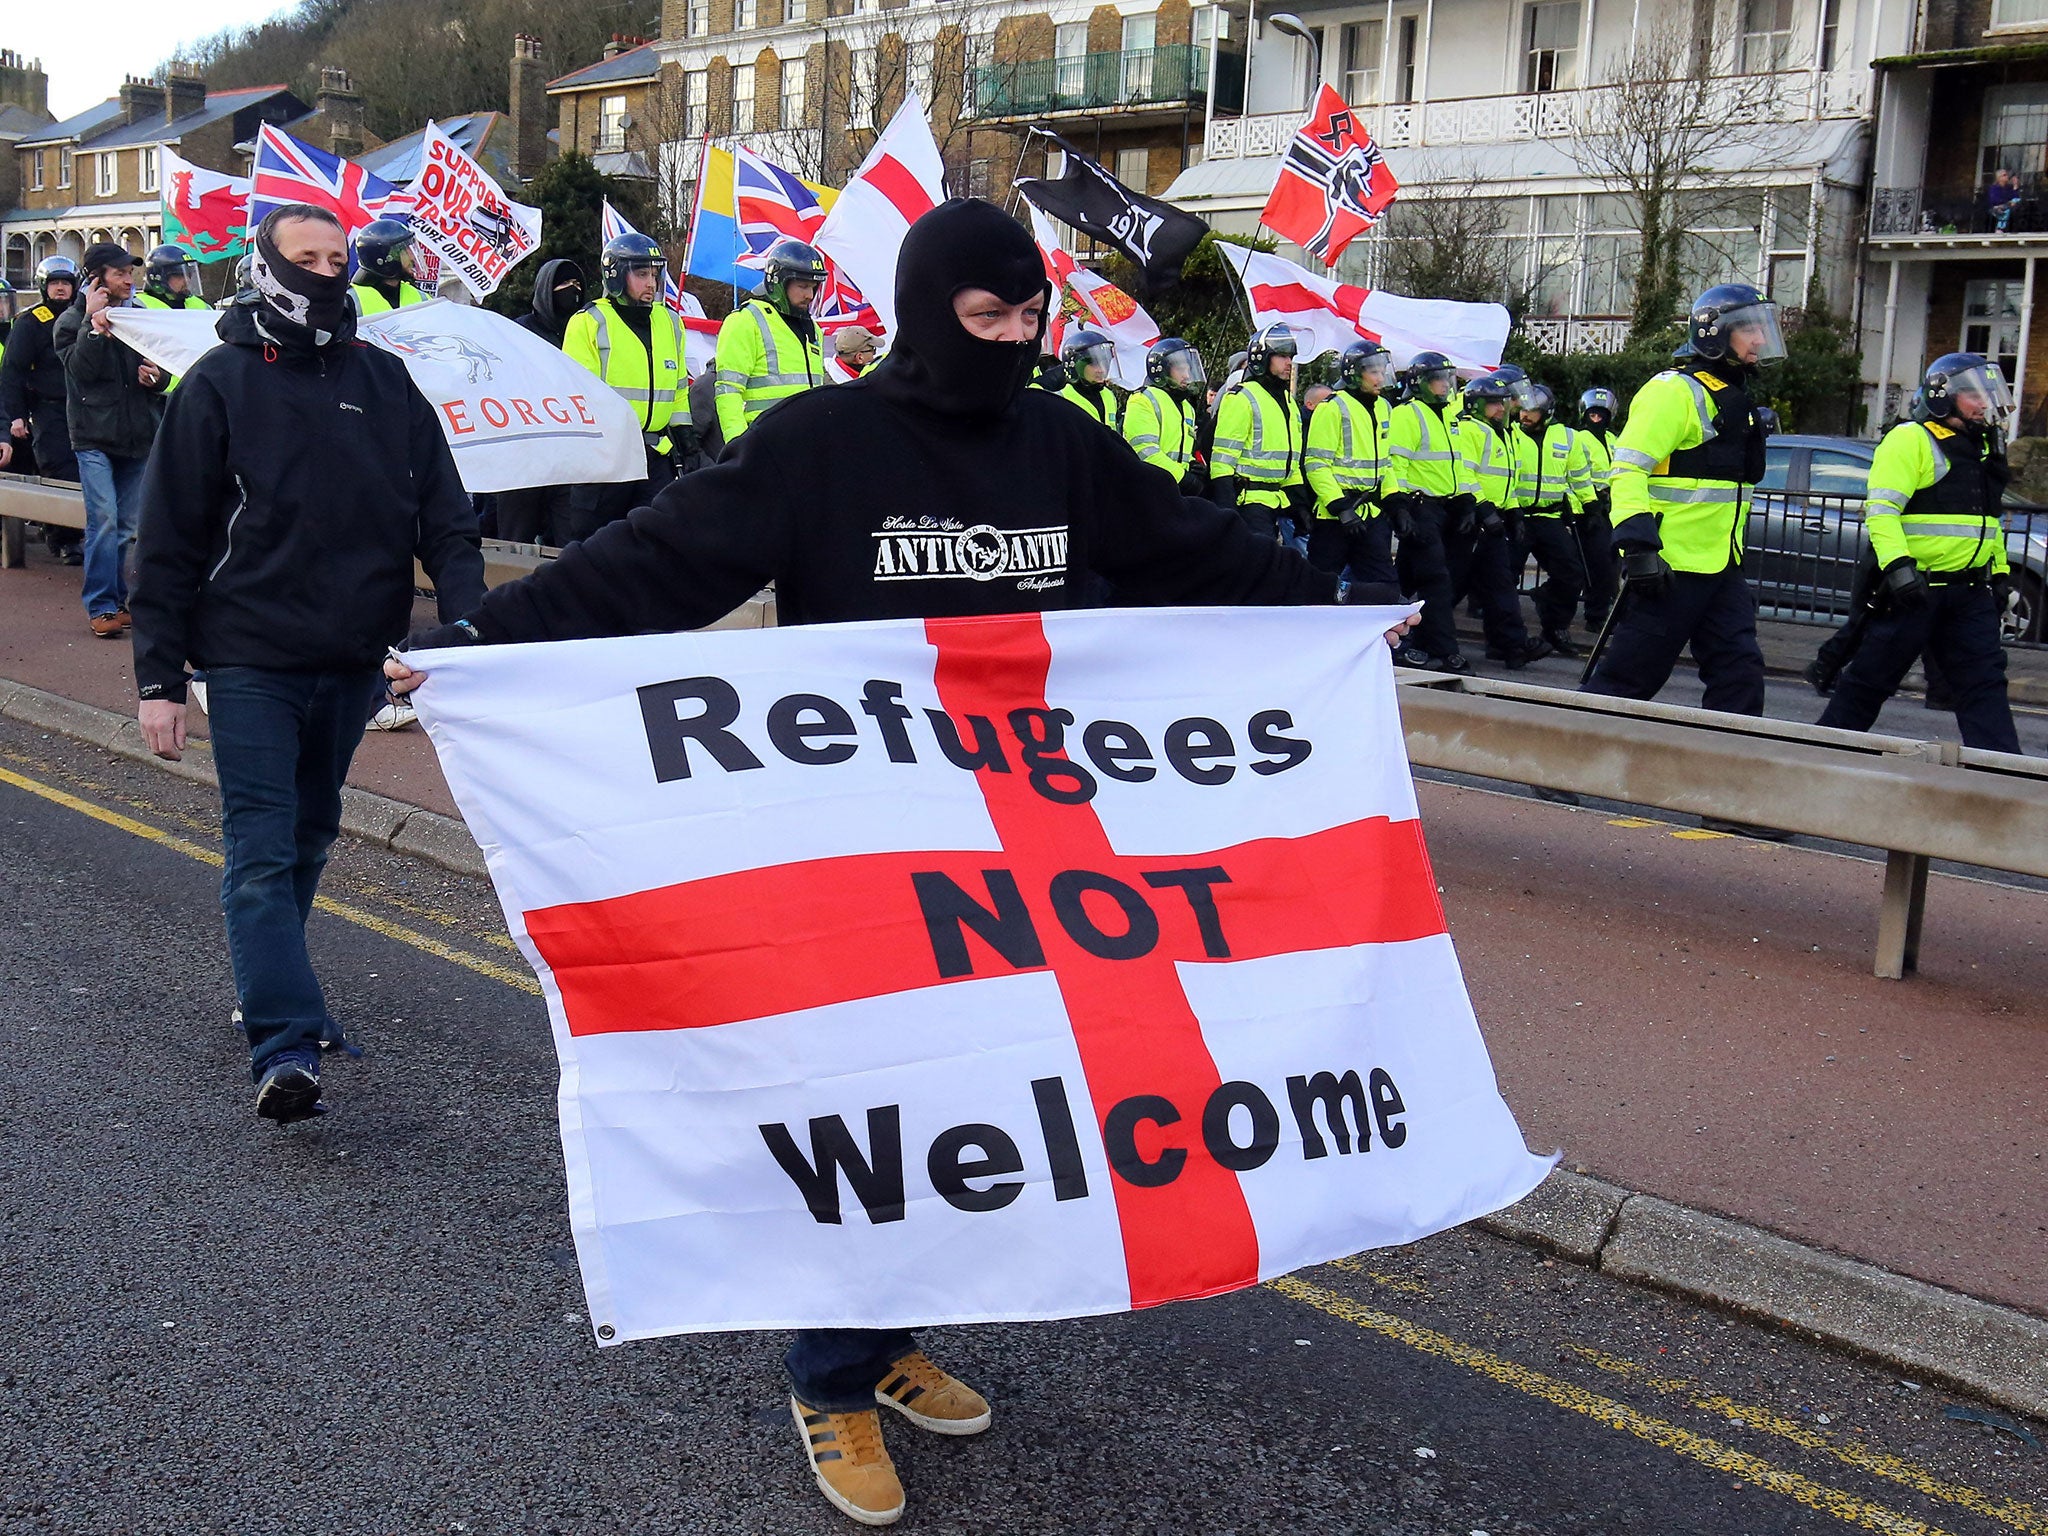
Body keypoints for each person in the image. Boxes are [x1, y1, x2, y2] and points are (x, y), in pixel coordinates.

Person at [380, 198, 1416, 1530]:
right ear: (930, 317)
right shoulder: (825, 444)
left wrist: (1332, 618)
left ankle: (892, 1336)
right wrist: (481, 643)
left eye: (1031, 316)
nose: (1017, 341)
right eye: (987, 320)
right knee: (865, 1099)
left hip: (1029, 841)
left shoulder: (1060, 442)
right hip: (861, 836)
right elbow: (656, 565)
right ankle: (831, 1377)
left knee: (974, 1102)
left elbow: (1190, 545)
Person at [128, 202, 485, 1124]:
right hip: (247, 657)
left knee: (312, 832)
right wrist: (159, 680)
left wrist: (465, 629)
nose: (328, 271)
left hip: (355, 658)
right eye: (307, 256)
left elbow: (446, 518)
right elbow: (165, 541)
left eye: (339, 255)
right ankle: (284, 1044)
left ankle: (264, 980)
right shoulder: (217, 384)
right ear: (267, 267)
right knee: (259, 844)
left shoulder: (387, 381)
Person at [1583, 283, 1778, 715]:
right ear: (1715, 333)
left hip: (1721, 566)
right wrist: (1638, 547)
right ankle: (1559, 764)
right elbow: (1629, 469)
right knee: (1630, 679)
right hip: (1670, 567)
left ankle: (1723, 775)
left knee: (1740, 675)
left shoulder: (1735, 397)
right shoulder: (1673, 390)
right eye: (1750, 329)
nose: (1760, 339)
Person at [1815, 353, 2021, 752]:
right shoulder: (1911, 439)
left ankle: (2005, 782)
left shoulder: (1979, 449)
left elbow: (1987, 521)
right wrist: (1898, 568)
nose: (1984, 405)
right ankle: (1814, 765)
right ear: (1943, 397)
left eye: (1987, 395)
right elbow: (1882, 510)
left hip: (1969, 595)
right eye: (1973, 396)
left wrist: (1997, 574)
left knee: (1985, 686)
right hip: (1916, 591)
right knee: (1868, 684)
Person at [54, 243, 168, 638]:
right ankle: (101, 606)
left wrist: (156, 377)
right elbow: (81, 371)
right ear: (96, 278)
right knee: (103, 521)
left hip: (137, 434)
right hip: (93, 437)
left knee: (127, 527)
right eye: (119, 273)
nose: (128, 279)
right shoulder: (70, 322)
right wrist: (92, 323)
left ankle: (118, 603)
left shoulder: (139, 317)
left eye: (129, 272)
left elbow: (163, 368)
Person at [563, 232, 690, 539]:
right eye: (641, 273)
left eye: (655, 274)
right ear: (616, 275)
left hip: (656, 454)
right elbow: (577, 394)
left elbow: (679, 387)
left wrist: (685, 432)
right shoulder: (590, 322)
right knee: (594, 540)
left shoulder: (670, 322)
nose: (651, 283)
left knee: (654, 539)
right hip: (608, 457)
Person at [1382, 350, 1472, 672]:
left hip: (1445, 507)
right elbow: (1396, 463)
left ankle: (1405, 638)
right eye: (1438, 379)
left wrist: (1466, 501)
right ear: (1420, 383)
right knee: (1435, 578)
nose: (1446, 385)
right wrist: (1401, 508)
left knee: (1404, 578)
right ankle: (1445, 650)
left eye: (1448, 379)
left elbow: (1458, 464)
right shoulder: (1408, 414)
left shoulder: (1449, 416)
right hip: (1419, 506)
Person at [1452, 370, 1548, 668]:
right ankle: (1420, 637)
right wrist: (1483, 509)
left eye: (1503, 402)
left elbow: (1508, 480)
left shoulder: (1505, 434)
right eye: (1496, 403)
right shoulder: (1470, 429)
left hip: (1492, 523)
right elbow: (1465, 474)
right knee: (1450, 586)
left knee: (1501, 587)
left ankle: (1512, 646)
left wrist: (1514, 511)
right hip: (1470, 521)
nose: (1505, 407)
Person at [0, 255, 86, 563]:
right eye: (55, 284)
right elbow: (12, 371)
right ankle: (63, 537)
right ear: (43, 287)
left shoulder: (87, 316)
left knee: (85, 468)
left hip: (85, 407)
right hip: (48, 408)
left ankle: (80, 529)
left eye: (66, 283)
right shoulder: (31, 322)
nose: (61, 289)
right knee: (59, 468)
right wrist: (16, 415)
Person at [500, 258, 587, 547]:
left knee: (567, 542)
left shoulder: (584, 333)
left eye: (578, 285)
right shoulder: (518, 332)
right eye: (564, 285)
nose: (572, 292)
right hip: (524, 456)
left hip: (568, 458)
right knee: (515, 543)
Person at [714, 236, 827, 448]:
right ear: (779, 282)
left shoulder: (814, 330)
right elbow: (728, 391)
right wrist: (738, 448)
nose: (810, 295)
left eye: (814, 287)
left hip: (807, 446)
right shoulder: (746, 321)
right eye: (802, 286)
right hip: (764, 447)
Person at [1510, 382, 1596, 657]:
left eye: (1532, 411)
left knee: (1571, 574)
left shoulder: (1568, 437)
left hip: (1550, 516)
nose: (1525, 415)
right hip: (1517, 516)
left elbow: (1579, 476)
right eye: (1522, 409)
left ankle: (1556, 627)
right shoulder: (1508, 434)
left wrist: (1590, 505)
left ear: (1547, 412)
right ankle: (1504, 639)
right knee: (1503, 576)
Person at [1303, 339, 1396, 590]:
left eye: (1382, 370)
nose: (1380, 377)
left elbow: (1386, 462)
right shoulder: (1332, 407)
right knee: (1319, 589)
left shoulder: (1384, 408)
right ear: (1355, 374)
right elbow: (1316, 463)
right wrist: (1340, 507)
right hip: (1335, 518)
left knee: (1385, 587)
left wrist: (1396, 501)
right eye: (1373, 371)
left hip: (1369, 513)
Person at [1209, 322, 1306, 543]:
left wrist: (1300, 505)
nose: (1289, 362)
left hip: (1278, 501)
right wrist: (1227, 508)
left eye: (1291, 356)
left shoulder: (1289, 402)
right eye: (1282, 356)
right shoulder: (1242, 397)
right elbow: (1222, 460)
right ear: (1261, 357)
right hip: (1249, 503)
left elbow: (1291, 461)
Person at [1121, 336, 1206, 492]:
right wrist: (1183, 477)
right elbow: (1145, 452)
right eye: (1180, 369)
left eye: (1188, 369)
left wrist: (1193, 466)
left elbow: (1179, 449)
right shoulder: (1143, 399)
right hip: (1150, 489)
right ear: (1162, 370)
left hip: (1177, 491)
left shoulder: (1186, 406)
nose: (1187, 375)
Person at [1576, 387, 1621, 628]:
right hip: (1591, 508)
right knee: (1598, 564)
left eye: (1601, 415)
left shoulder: (1613, 440)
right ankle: (1595, 615)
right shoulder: (1580, 438)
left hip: (1613, 507)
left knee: (1613, 563)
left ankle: (1604, 612)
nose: (1596, 420)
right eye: (1592, 415)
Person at [349, 218, 426, 314]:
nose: (412, 257)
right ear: (387, 259)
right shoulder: (349, 302)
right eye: (406, 250)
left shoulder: (423, 298)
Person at [1055, 329, 1119, 427]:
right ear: (1074, 366)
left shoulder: (1108, 395)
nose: (1101, 370)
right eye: (1093, 363)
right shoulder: (1059, 401)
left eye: (1105, 362)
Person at [137, 244, 204, 312]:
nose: (187, 280)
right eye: (179, 275)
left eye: (189, 274)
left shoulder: (200, 305)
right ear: (157, 278)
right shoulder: (138, 306)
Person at [1985, 166, 2021, 234]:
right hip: (1996, 208)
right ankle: (2000, 228)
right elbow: (1994, 200)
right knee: (2003, 210)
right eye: (2004, 175)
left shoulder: (2009, 188)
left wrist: (2015, 187)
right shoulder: (1994, 188)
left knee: (2014, 206)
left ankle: (2008, 228)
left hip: (2008, 207)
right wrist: (2008, 202)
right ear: (1999, 178)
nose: (2007, 176)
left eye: (2007, 175)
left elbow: (2015, 198)